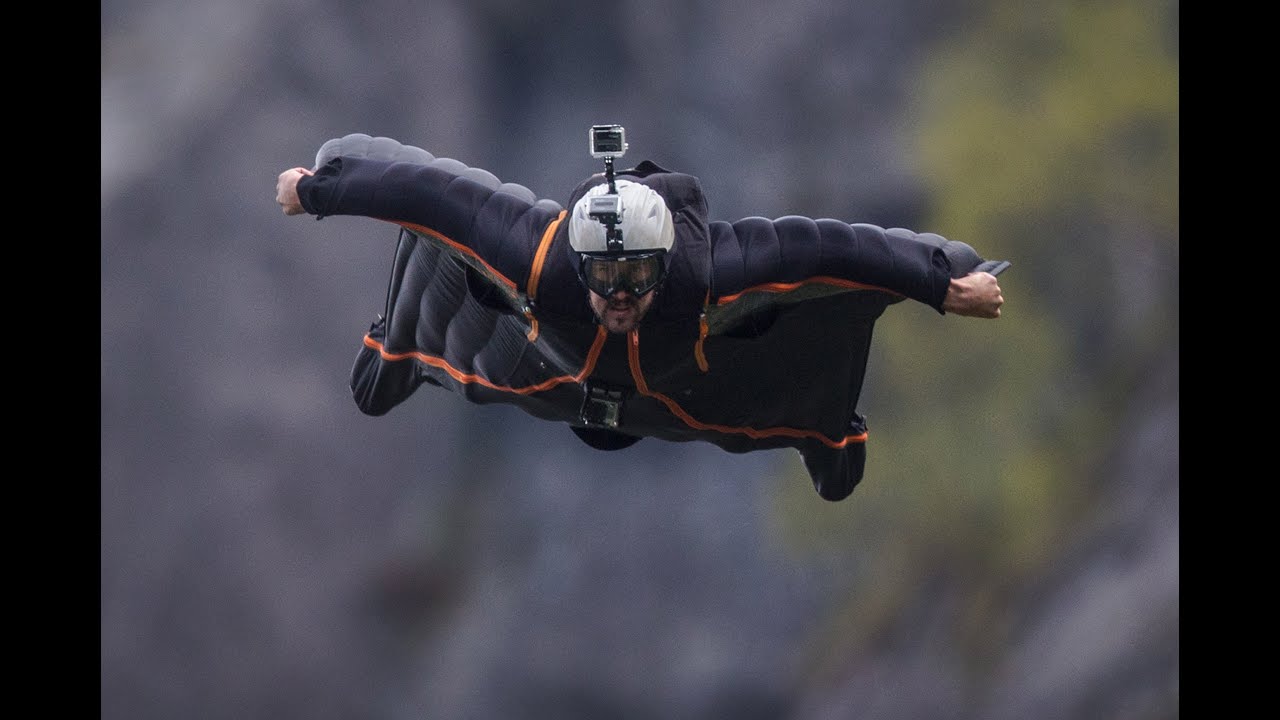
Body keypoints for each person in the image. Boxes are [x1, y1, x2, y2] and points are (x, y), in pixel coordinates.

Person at [274, 132, 1006, 501]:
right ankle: (399, 353)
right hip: (541, 366)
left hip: (689, 391)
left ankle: (826, 435)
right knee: (454, 323)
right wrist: (317, 188)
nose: (619, 298)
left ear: (665, 267)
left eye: (636, 280)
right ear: (579, 265)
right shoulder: (541, 259)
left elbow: (837, 249)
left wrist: (944, 285)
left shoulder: (711, 272)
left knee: (794, 409)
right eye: (605, 280)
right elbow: (423, 196)